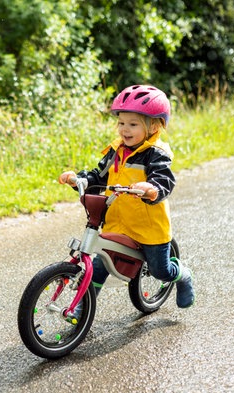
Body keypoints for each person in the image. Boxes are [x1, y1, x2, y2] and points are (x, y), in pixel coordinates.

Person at [58, 84, 195, 310]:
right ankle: (84, 308)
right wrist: (79, 180)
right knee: (100, 262)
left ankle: (183, 275)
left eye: (133, 124)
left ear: (153, 127)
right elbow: (98, 176)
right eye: (121, 123)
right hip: (118, 223)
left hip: (149, 227)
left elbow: (164, 180)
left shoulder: (156, 153)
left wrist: (152, 189)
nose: (125, 129)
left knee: (161, 270)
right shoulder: (116, 151)